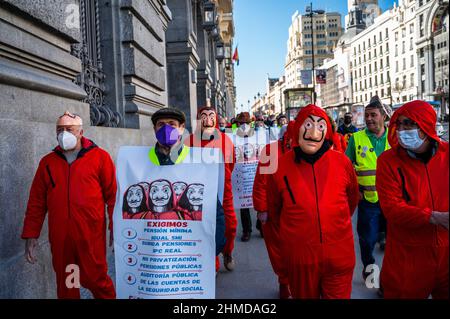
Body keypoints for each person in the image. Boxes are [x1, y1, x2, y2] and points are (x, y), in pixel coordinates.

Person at [267, 105, 359, 299]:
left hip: (339, 255)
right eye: (308, 124)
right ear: (297, 127)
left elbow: (351, 200)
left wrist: (333, 221)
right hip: (300, 258)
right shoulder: (280, 166)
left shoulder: (342, 162)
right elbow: (274, 212)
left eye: (320, 125)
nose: (313, 132)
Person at [21, 111, 117, 299]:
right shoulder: (47, 163)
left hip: (90, 234)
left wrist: (115, 228)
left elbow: (113, 197)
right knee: (67, 282)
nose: (63, 133)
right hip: (62, 237)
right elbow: (37, 202)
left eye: (69, 129)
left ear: (80, 132)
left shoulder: (100, 157)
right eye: (60, 129)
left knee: (97, 280)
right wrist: (31, 234)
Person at [377, 100, 449, 299]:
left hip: (446, 255)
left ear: (426, 125)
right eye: (398, 124)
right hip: (407, 258)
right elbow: (391, 207)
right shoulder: (388, 161)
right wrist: (434, 217)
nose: (401, 130)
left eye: (408, 124)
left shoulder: (447, 155)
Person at [150, 107, 226, 259]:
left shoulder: (199, 162)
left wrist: (211, 250)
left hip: (191, 255)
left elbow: (214, 212)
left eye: (172, 124)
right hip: (156, 254)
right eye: (161, 124)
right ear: (154, 129)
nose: (166, 128)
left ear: (182, 128)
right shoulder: (139, 163)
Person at [185, 107, 237, 272]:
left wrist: (223, 179)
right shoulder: (189, 141)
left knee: (230, 226)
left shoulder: (225, 140)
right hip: (200, 192)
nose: (208, 119)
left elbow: (231, 163)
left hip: (224, 190)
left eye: (211, 116)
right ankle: (212, 263)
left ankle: (227, 251)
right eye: (204, 116)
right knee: (207, 227)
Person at [345, 96, 390, 281]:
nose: (369, 119)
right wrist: (356, 193)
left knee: (396, 242)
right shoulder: (356, 138)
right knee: (367, 240)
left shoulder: (394, 137)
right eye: (366, 115)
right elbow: (346, 169)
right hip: (368, 201)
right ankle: (370, 271)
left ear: (383, 117)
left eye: (373, 115)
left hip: (392, 200)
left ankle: (388, 277)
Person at [253, 121, 295, 299]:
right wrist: (262, 208)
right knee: (279, 250)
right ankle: (285, 282)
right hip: (275, 211)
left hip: (299, 211)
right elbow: (261, 181)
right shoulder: (271, 151)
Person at [234, 112, 262, 242]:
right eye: (241, 123)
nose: (244, 125)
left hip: (255, 173)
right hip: (241, 174)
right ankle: (247, 230)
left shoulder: (258, 136)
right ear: (237, 124)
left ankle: (261, 225)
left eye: (246, 123)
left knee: (259, 201)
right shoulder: (233, 137)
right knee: (243, 203)